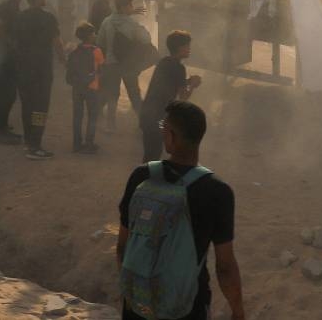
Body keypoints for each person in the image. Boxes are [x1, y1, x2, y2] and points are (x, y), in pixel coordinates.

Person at [118, 101, 244, 320]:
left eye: (163, 127)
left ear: (171, 136)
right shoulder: (217, 191)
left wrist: (137, 292)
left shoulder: (141, 177)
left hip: (138, 306)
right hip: (187, 307)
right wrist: (238, 311)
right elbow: (225, 267)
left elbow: (123, 247)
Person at [14, 0, 65, 159]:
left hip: (23, 69)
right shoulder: (48, 18)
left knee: (27, 106)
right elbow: (57, 43)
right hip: (41, 70)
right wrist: (64, 60)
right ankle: (35, 147)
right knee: (40, 109)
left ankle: (29, 142)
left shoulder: (20, 17)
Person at [140, 31, 202, 162]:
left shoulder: (164, 62)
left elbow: (169, 82)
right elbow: (183, 96)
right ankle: (146, 180)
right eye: (187, 46)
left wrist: (187, 81)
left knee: (149, 155)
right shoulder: (179, 68)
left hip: (147, 113)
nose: (189, 49)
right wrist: (193, 85)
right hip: (158, 116)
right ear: (180, 48)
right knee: (153, 157)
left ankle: (143, 179)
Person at [97, 0, 152, 124]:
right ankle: (143, 123)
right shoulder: (131, 23)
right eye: (130, 5)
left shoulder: (107, 21)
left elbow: (100, 43)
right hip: (128, 65)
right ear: (123, 7)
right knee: (134, 94)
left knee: (111, 94)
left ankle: (109, 123)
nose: (132, 7)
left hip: (111, 63)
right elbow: (146, 39)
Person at [0, 0, 26, 144]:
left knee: (6, 93)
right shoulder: (11, 6)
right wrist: (9, 42)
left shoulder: (13, 5)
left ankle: (1, 125)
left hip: (6, 55)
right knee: (8, 94)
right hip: (6, 57)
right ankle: (1, 132)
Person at [66, 22, 105, 154]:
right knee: (92, 116)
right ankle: (89, 143)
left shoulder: (74, 50)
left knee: (77, 116)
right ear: (89, 36)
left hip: (77, 87)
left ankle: (76, 144)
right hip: (92, 87)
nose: (95, 35)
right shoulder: (96, 51)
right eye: (93, 33)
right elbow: (101, 69)